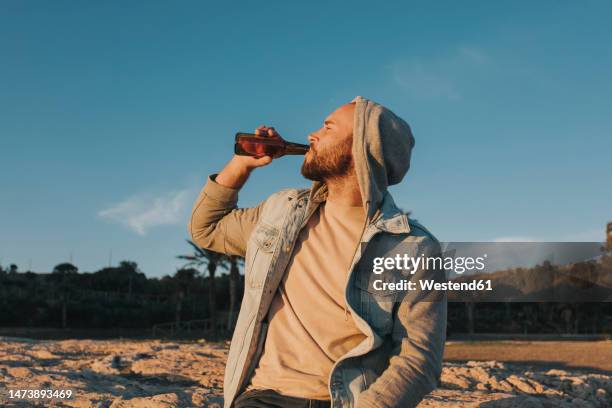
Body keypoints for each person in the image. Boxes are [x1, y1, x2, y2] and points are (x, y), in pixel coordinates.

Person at [189, 96, 447, 408]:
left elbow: (418, 360)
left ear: (359, 149)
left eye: (327, 128)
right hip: (264, 397)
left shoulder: (416, 249)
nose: (312, 135)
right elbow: (207, 229)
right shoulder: (281, 212)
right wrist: (241, 164)